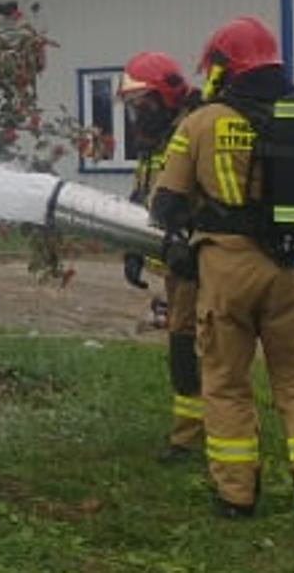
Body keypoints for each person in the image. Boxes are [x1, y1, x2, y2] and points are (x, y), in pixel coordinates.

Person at [150, 16, 294, 535]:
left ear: (222, 69)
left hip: (226, 272)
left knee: (225, 384)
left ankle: (236, 496)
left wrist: (177, 248)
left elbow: (166, 203)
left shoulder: (200, 124)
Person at [116, 51, 205, 463]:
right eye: (134, 105)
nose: (138, 114)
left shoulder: (195, 129)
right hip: (175, 261)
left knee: (196, 347)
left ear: (166, 95)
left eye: (143, 103)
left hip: (201, 259)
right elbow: (142, 197)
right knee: (183, 345)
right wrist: (134, 247)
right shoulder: (154, 141)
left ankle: (194, 439)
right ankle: (194, 431)